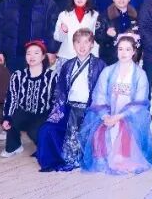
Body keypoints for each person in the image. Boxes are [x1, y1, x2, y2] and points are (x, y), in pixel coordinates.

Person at [80, 35, 152, 174]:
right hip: (108, 113)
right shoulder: (108, 71)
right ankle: (104, 157)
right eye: (120, 49)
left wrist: (119, 117)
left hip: (131, 116)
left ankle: (123, 158)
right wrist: (105, 116)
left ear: (134, 51)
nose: (123, 53)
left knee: (122, 128)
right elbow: (99, 96)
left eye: (128, 49)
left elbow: (140, 102)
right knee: (99, 130)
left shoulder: (140, 74)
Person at [36, 29, 106, 172]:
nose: (82, 46)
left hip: (90, 109)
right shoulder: (67, 65)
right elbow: (60, 91)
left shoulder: (100, 65)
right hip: (69, 109)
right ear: (73, 45)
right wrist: (57, 112)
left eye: (86, 42)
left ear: (92, 44)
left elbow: (103, 92)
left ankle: (80, 157)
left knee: (83, 132)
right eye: (78, 42)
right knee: (47, 129)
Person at [0, 0, 60, 73]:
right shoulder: (7, 3)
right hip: (13, 55)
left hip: (38, 55)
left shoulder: (48, 4)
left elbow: (53, 29)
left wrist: (51, 50)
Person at [1, 41, 56, 158]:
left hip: (43, 114)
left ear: (43, 56)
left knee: (34, 133)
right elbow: (11, 98)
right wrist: (6, 117)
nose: (32, 56)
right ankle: (14, 146)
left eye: (36, 53)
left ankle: (46, 144)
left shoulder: (52, 76)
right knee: (12, 118)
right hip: (24, 112)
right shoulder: (17, 75)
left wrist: (51, 121)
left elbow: (55, 101)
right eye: (28, 53)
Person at [54, 0, 101, 64]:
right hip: (67, 56)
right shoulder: (64, 15)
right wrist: (64, 31)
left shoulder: (95, 15)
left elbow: (96, 37)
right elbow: (57, 37)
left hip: (88, 56)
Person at [98, 0, 139, 65]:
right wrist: (107, 35)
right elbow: (97, 37)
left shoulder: (136, 15)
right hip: (109, 59)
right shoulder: (105, 15)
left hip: (130, 59)